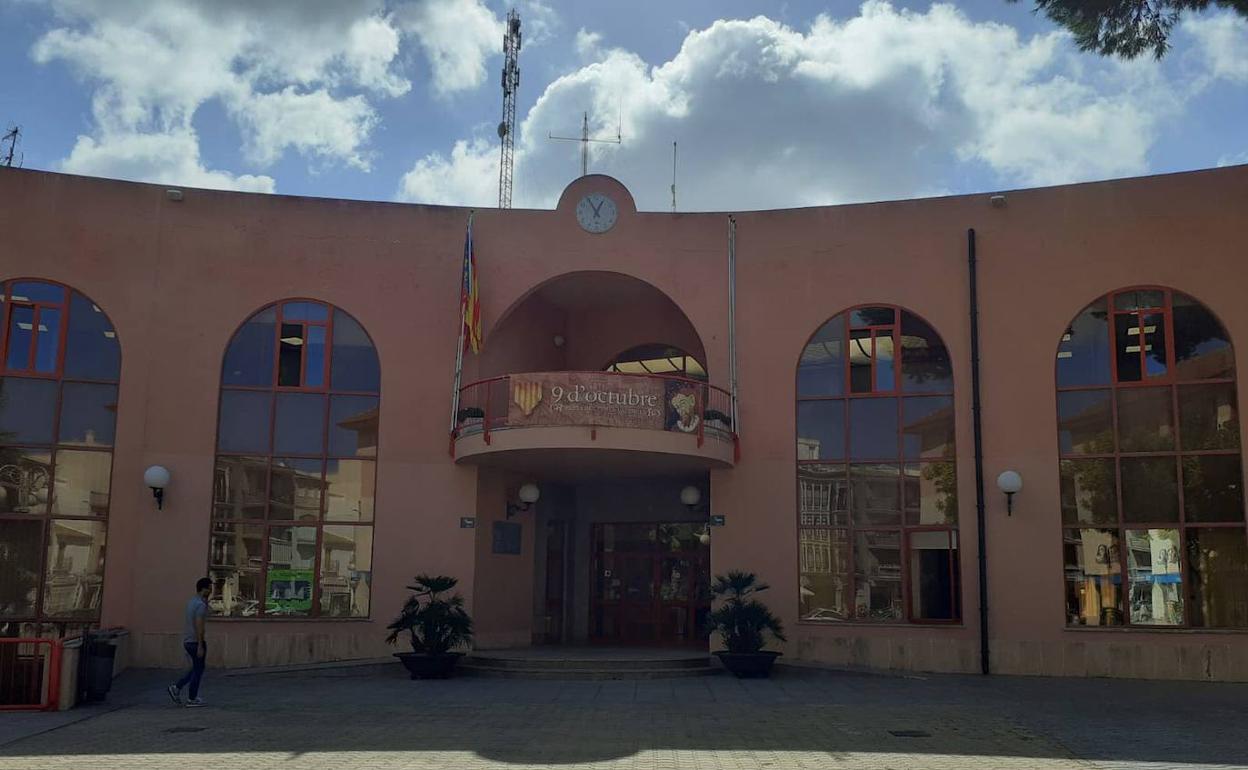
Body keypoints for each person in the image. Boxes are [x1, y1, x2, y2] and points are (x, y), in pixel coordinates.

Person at [167, 577, 211, 707]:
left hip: (188, 640)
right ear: (204, 589)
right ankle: (191, 697)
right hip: (195, 641)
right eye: (209, 588)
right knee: (198, 670)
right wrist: (200, 645)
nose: (211, 590)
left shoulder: (192, 602)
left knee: (197, 668)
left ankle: (177, 688)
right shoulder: (200, 605)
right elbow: (199, 625)